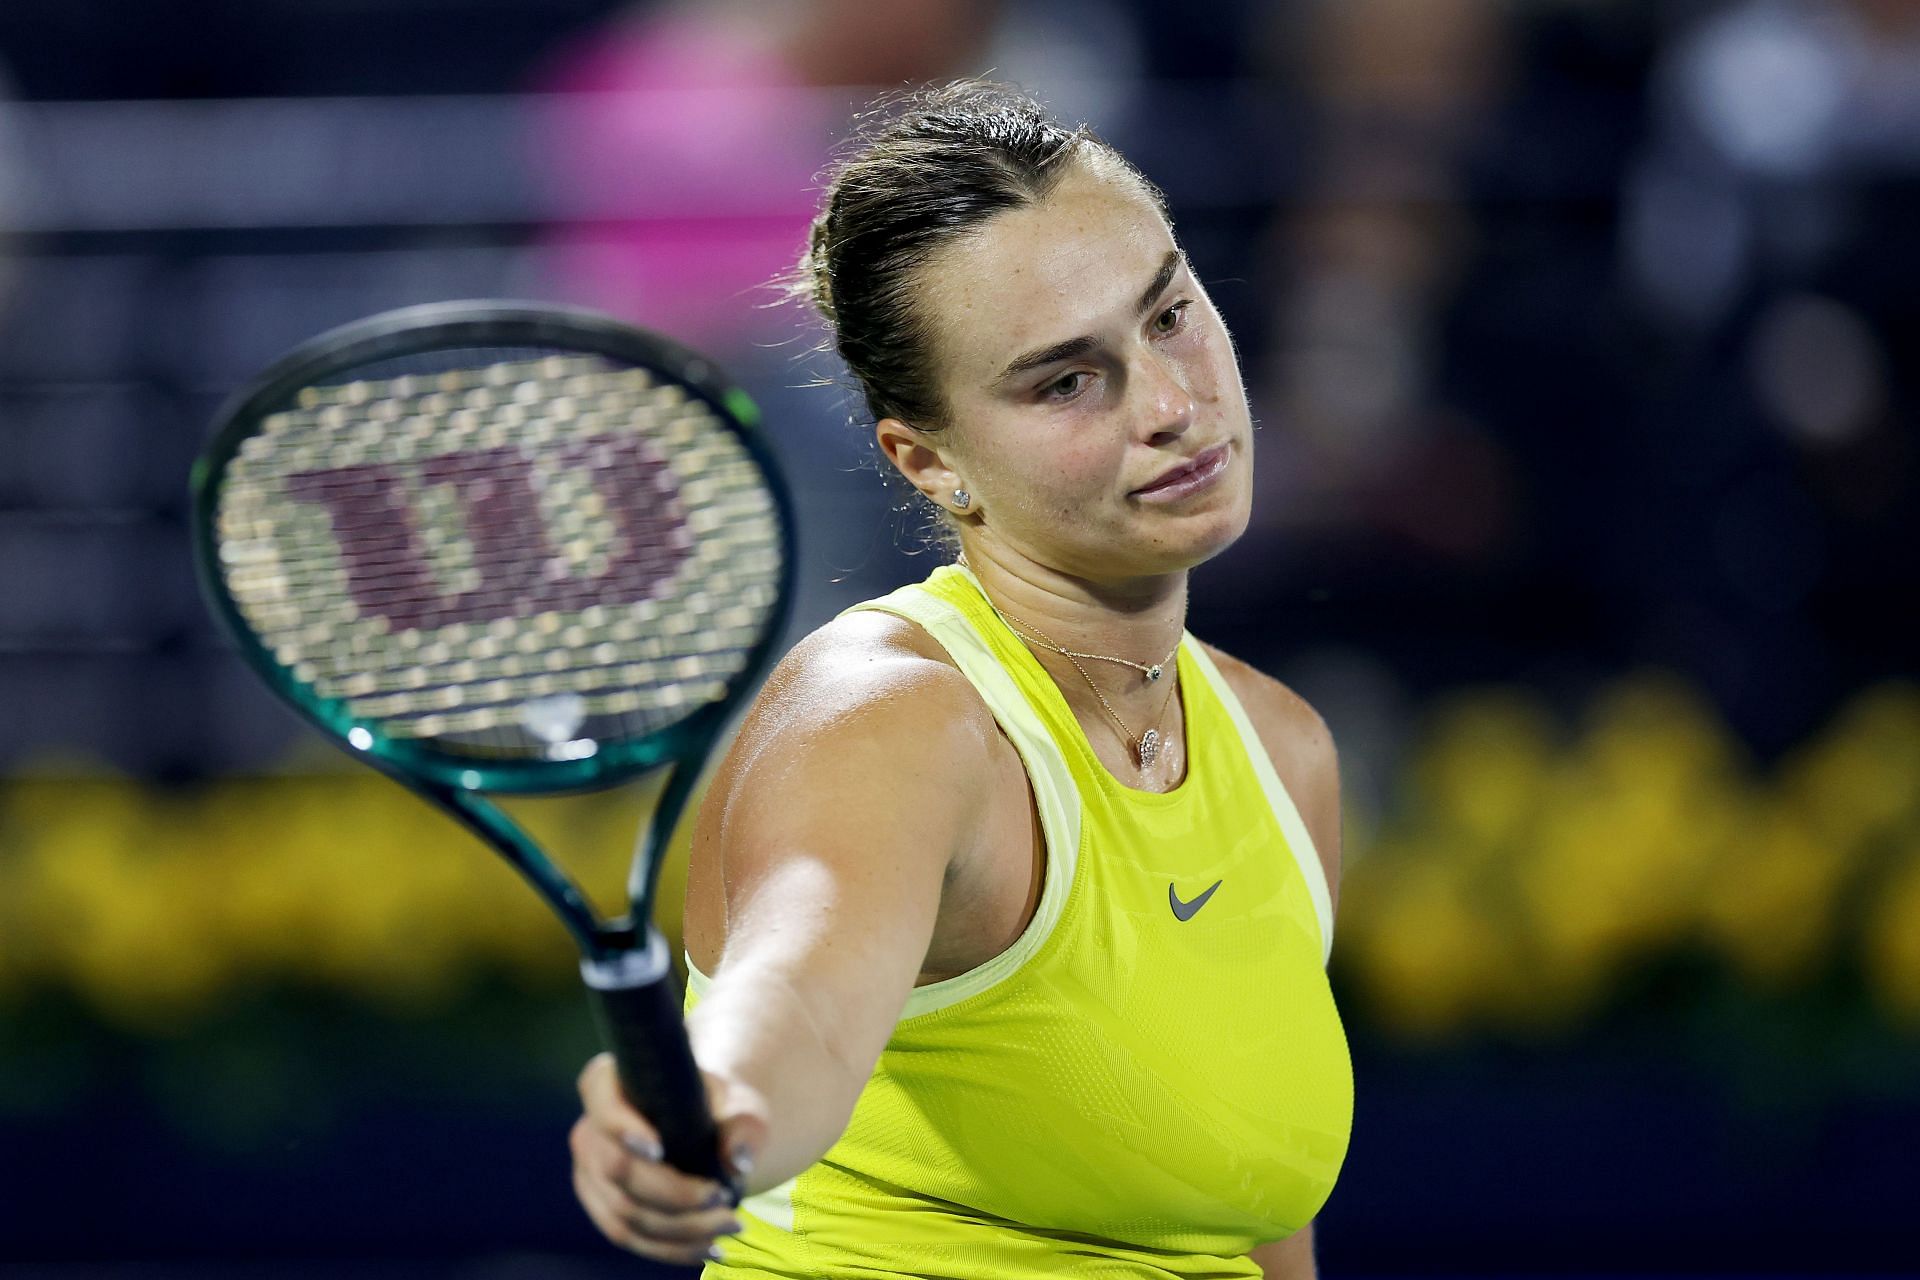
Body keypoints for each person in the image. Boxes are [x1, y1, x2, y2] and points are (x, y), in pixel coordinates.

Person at [568, 80, 1352, 1278]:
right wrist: (707, 1105)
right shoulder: (890, 717)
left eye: (1169, 314)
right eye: (1065, 380)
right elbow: (800, 1004)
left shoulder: (1281, 748)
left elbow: (1253, 1220)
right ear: (930, 462)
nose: (1172, 403)